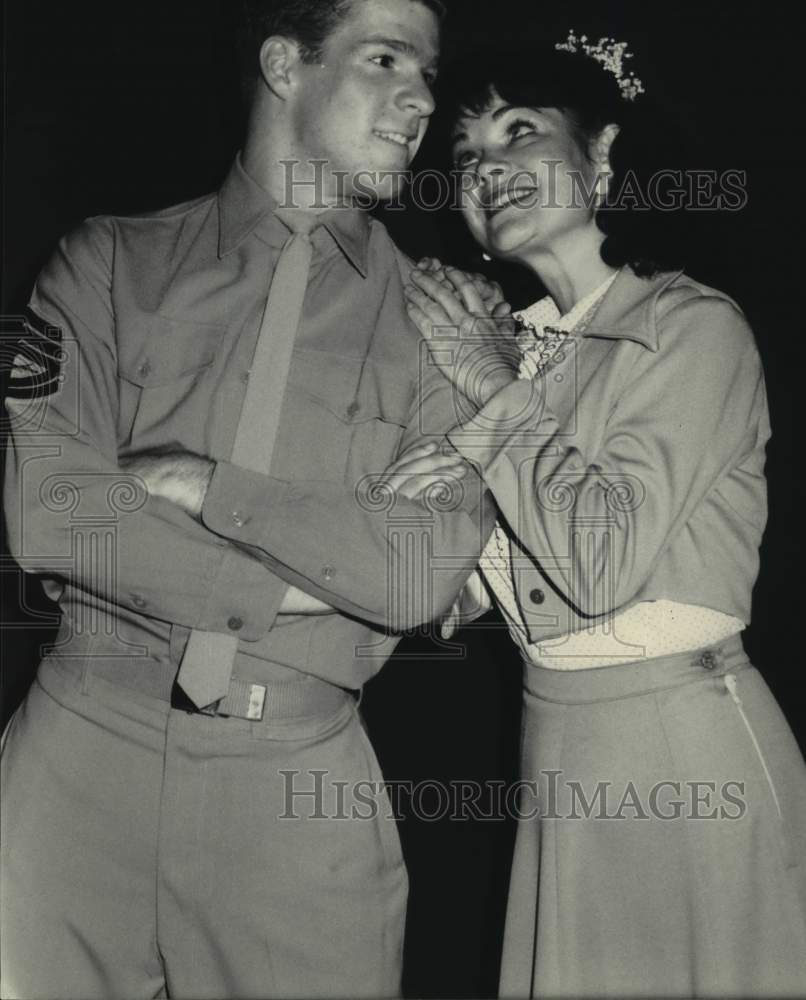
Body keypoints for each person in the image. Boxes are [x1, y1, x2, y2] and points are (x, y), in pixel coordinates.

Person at [0, 2, 498, 997]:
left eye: (428, 73)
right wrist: (315, 577)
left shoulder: (450, 326)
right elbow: (51, 512)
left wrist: (201, 488)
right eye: (385, 58)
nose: (421, 100)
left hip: (296, 800)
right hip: (74, 773)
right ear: (285, 64)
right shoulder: (100, 263)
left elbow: (420, 571)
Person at [401, 33, 806, 998]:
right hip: (559, 751)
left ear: (606, 155)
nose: (488, 169)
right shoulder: (516, 349)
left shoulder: (690, 325)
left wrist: (484, 388)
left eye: (520, 132)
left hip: (682, 745)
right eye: (465, 156)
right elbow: (487, 592)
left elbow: (598, 560)